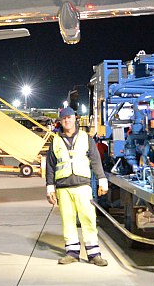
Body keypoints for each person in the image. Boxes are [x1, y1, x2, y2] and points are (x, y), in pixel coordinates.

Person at [46, 107, 109, 266]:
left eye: (69, 117)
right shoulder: (55, 141)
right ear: (60, 121)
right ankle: (72, 253)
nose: (67, 120)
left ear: (75, 119)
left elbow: (95, 160)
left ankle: (94, 254)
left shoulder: (85, 138)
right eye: (64, 118)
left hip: (82, 186)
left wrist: (102, 179)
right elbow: (50, 166)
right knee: (68, 221)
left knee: (88, 219)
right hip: (63, 188)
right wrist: (50, 188)